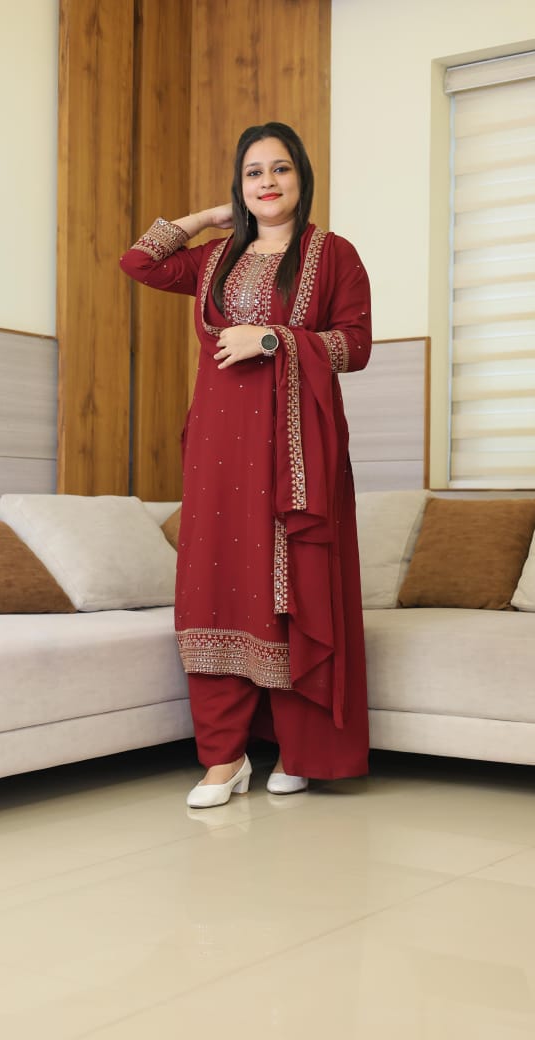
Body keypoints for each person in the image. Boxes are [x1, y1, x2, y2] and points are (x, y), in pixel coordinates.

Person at [120, 121, 372, 808]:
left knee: (291, 587)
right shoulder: (215, 259)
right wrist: (207, 217)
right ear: (240, 184)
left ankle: (300, 749)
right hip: (217, 446)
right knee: (216, 584)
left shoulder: (333, 254)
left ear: (302, 178)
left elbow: (355, 346)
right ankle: (224, 759)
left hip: (296, 449)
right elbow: (139, 263)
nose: (267, 182)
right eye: (253, 171)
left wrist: (273, 338)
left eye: (280, 169)